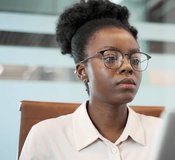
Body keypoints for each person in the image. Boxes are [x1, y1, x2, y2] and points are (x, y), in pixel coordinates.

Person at [19, 0, 161, 159]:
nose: (128, 67)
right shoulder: (46, 138)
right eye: (110, 58)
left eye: (135, 59)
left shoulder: (162, 134)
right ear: (82, 72)